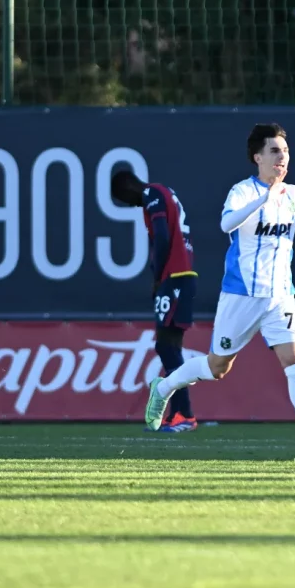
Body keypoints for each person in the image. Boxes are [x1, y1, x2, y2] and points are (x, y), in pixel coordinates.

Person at [141, 123, 295, 459]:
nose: (282, 158)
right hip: (241, 296)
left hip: (280, 296)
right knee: (217, 368)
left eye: (285, 151)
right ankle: (164, 386)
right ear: (257, 157)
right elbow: (226, 224)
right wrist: (264, 199)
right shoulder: (242, 192)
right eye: (274, 151)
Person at [111, 171, 198, 432]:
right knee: (170, 347)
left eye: (125, 198)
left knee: (167, 346)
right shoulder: (165, 191)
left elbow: (161, 236)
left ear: (128, 187)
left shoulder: (151, 194)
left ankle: (184, 414)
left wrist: (158, 276)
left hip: (175, 277)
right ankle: (178, 413)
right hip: (183, 276)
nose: (130, 204)